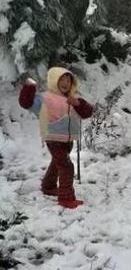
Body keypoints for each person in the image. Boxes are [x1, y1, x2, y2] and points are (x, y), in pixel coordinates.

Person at [19, 67, 93, 209]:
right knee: (66, 166)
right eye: (62, 79)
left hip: (68, 139)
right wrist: (30, 86)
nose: (66, 83)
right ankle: (66, 198)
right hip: (54, 139)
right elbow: (26, 103)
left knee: (57, 162)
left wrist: (78, 104)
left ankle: (48, 186)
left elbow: (87, 112)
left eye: (69, 80)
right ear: (54, 81)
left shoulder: (72, 99)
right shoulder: (45, 98)